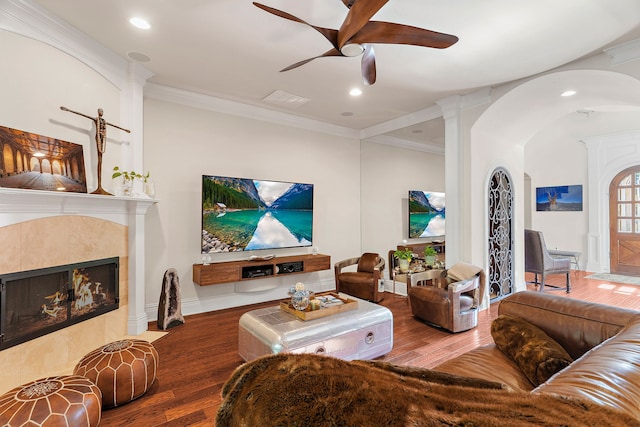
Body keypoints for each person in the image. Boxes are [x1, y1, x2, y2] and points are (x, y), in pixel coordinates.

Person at [60, 106, 130, 195]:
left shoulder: (103, 122)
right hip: (98, 139)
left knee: (100, 160)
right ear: (98, 112)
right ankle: (98, 186)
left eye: (102, 111)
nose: (101, 112)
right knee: (98, 161)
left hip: (102, 139)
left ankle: (100, 186)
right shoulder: (96, 120)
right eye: (100, 111)